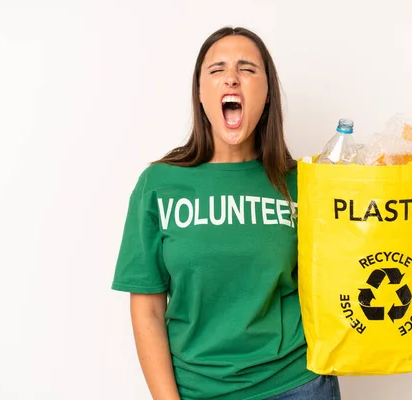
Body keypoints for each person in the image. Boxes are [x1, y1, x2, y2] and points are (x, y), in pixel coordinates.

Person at [111, 26, 342, 400]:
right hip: (196, 390)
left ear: (267, 95)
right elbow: (148, 309)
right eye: (216, 70)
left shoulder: (305, 183)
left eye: (248, 69)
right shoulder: (159, 184)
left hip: (298, 384)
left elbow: (338, 280)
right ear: (200, 95)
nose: (231, 77)